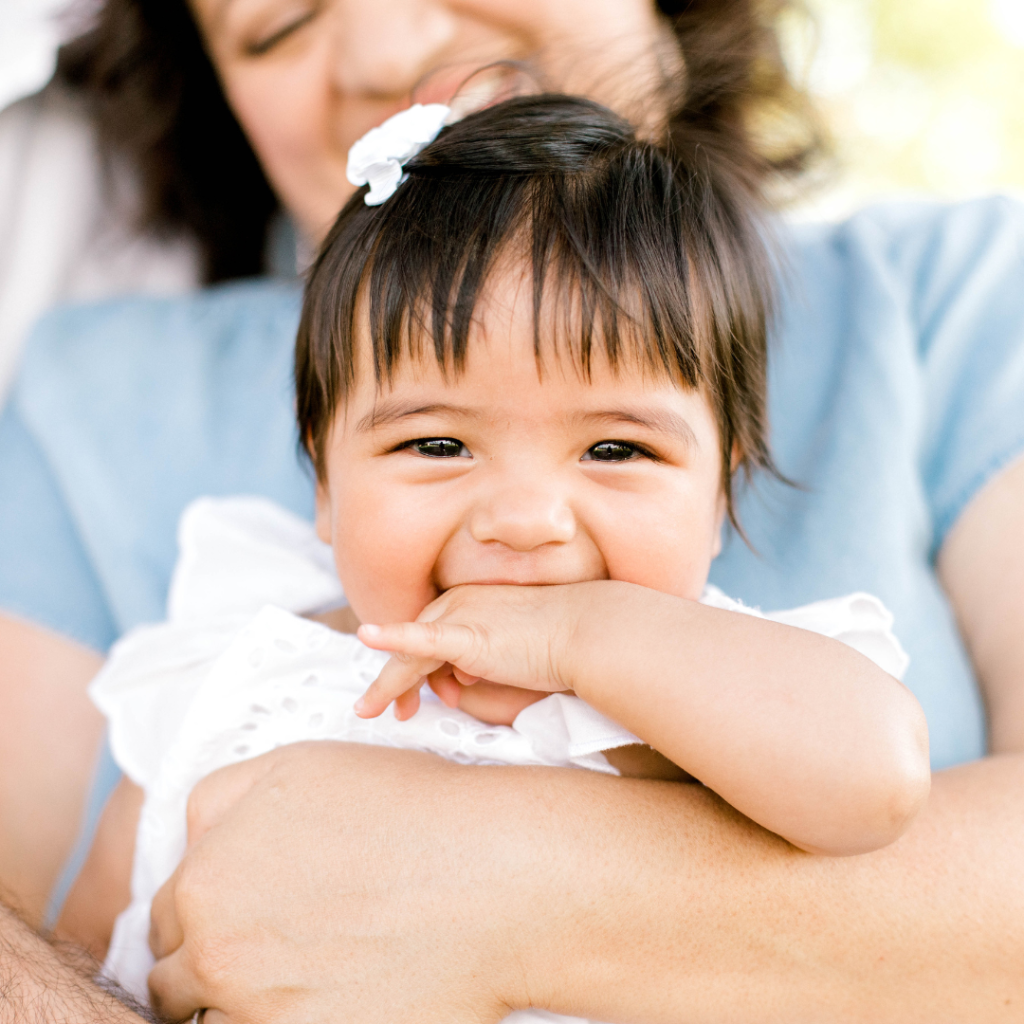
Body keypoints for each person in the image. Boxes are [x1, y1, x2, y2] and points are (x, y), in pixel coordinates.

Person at [1, 0, 1023, 1020]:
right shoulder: (235, 686)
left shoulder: (705, 692)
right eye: (436, 445)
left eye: (615, 449)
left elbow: (875, 779)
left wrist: (584, 655)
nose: (525, 516)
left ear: (723, 492)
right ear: (320, 483)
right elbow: (93, 959)